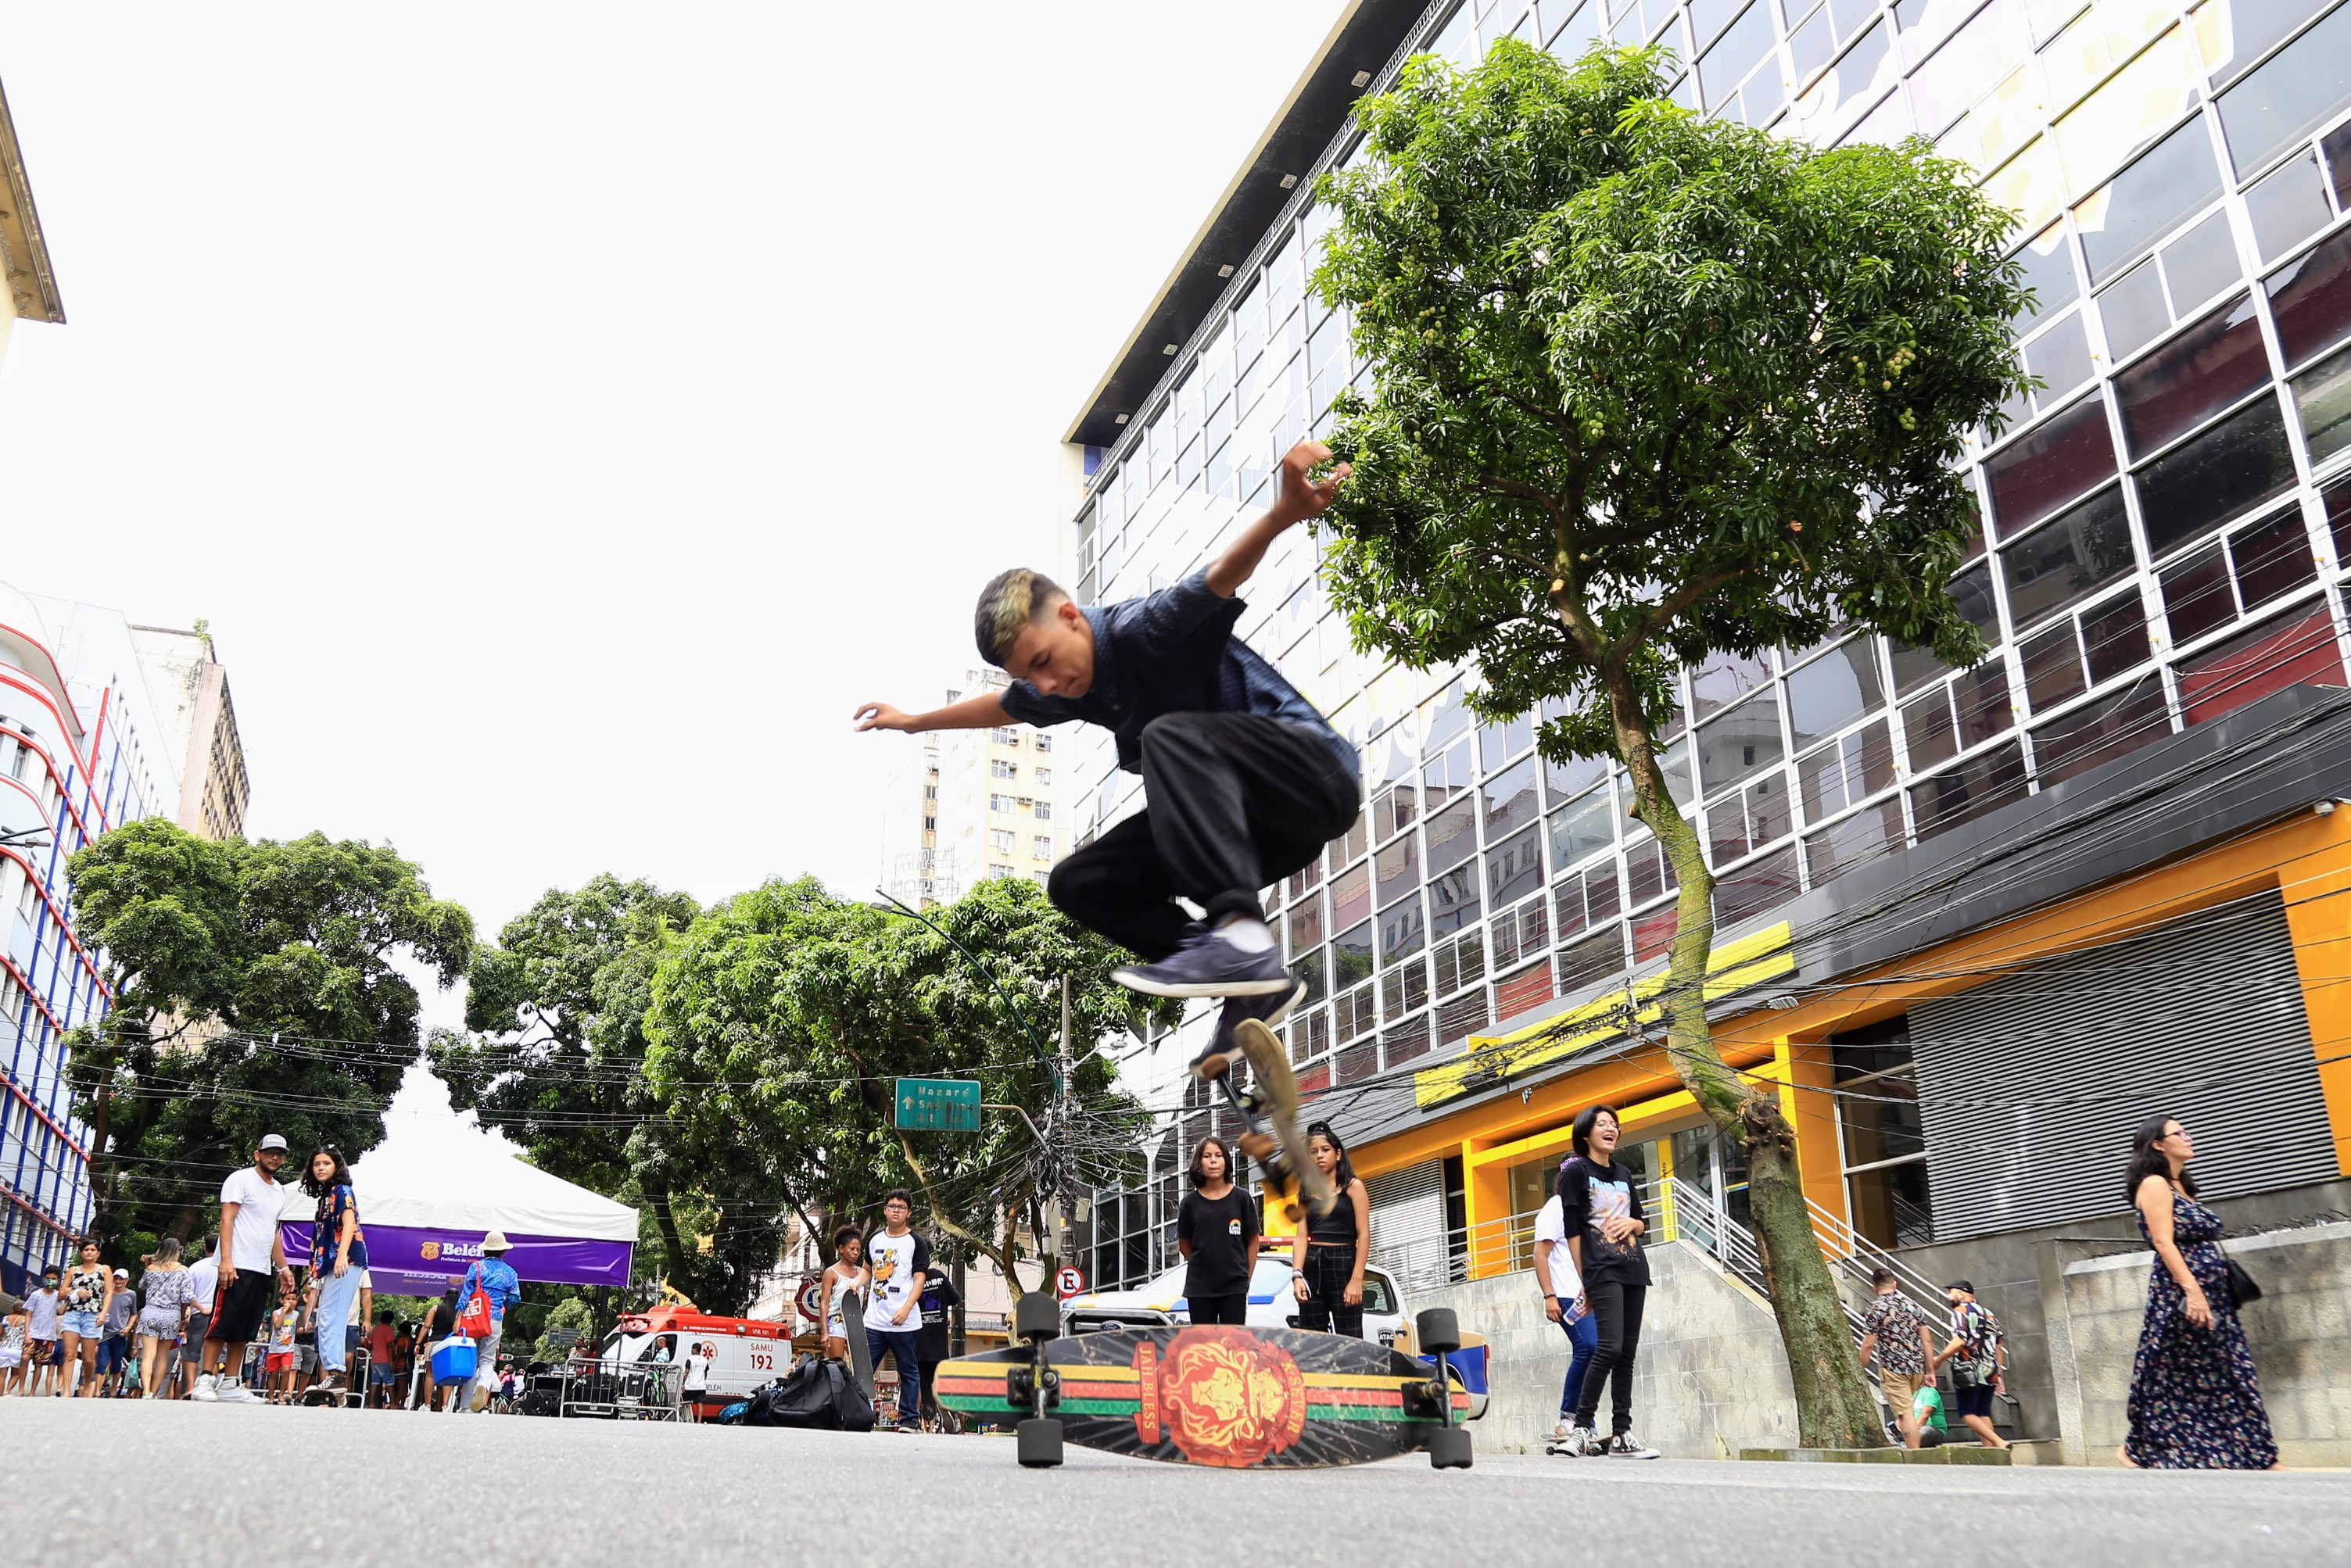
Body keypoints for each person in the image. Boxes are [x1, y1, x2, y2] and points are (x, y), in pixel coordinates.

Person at [855, 440, 1359, 1073]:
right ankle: (1248, 984)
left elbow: (1218, 577)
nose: (1046, 685)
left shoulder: (1141, 629)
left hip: (1310, 777)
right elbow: (1004, 706)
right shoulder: (1064, 684)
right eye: (1030, 676)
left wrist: (1282, 514)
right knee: (1079, 882)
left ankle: (1242, 940)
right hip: (1255, 833)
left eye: (1043, 662)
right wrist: (913, 723)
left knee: (1168, 737)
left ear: (1070, 616)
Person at [2120, 1115, 2279, 1470]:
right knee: (2200, 1372)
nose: (2188, 1136)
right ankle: (2140, 1448)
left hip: (2214, 1297)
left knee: (2220, 1372)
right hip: (2182, 1297)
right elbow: (2163, 1241)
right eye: (2178, 1133)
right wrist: (2193, 1292)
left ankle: (2254, 1455)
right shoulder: (2154, 1185)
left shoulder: (2182, 1186)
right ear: (2158, 1145)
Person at [1557, 1104, 1658, 1458]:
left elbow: (1641, 1222)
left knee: (1626, 1354)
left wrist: (1634, 1224)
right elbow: (1573, 1230)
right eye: (1602, 1124)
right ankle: (1581, 1428)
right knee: (1609, 1348)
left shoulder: (1624, 1173)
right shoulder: (1576, 1172)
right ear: (1586, 1133)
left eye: (1614, 1124)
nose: (1611, 1129)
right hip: (1601, 1269)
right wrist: (1583, 1276)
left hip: (1634, 1268)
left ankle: (1621, 1434)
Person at [195, 1133, 293, 1404]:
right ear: (257, 1154)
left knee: (245, 1328)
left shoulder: (278, 1190)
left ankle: (230, 1383)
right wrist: (226, 1259)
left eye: (280, 1154)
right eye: (270, 1152)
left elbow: (273, 1231)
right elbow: (226, 1219)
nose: (275, 1158)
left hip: (261, 1267)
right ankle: (205, 1379)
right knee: (222, 1323)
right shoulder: (241, 1179)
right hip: (236, 1264)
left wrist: (283, 1267)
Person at [1533, 1155, 1600, 1449]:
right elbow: (1540, 1254)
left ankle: (1586, 1423)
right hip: (1564, 1293)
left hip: (1589, 1293)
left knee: (1598, 1354)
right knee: (1588, 1347)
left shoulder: (1588, 1211)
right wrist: (1549, 1295)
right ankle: (1569, 1417)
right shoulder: (1555, 1207)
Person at [299, 1144, 371, 1406]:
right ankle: (336, 1382)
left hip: (346, 1260)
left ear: (337, 1167)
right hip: (332, 1263)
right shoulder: (326, 1195)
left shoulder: (342, 1191)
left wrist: (341, 1255)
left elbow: (349, 1223)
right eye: (317, 1164)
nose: (320, 1168)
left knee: (332, 1318)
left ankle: (337, 1374)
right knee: (327, 1318)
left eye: (326, 1163)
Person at [1288, 1122, 1369, 1337]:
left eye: (1325, 1150)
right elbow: (1301, 1237)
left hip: (1344, 1262)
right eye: (1313, 1152)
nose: (1319, 1156)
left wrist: (1356, 1280)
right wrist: (1297, 1276)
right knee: (1312, 1339)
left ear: (1338, 1154)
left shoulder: (1353, 1187)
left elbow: (1364, 1235)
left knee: (1349, 1339)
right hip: (1312, 1263)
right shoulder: (1305, 1192)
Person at [863, 1189, 930, 1433]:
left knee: (909, 1371)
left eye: (901, 1207)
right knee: (862, 1370)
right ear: (885, 1210)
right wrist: (856, 1283)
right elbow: (867, 1270)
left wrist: (906, 1308)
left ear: (908, 1213)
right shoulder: (874, 1239)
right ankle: (858, 1414)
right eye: (892, 1206)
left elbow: (920, 1280)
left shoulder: (916, 1242)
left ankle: (909, 1420)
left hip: (904, 1322)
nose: (896, 1211)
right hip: (874, 1321)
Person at [1177, 1137, 1259, 1326]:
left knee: (1233, 1340)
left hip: (1235, 1286)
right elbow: (1184, 1245)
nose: (1213, 1161)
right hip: (1199, 1287)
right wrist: (1205, 1264)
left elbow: (1254, 1242)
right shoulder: (1189, 1203)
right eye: (1207, 1156)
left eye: (1218, 1155)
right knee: (1204, 1341)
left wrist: (1245, 1278)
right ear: (1199, 1163)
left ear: (1226, 1160)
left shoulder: (1242, 1198)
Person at [1856, 1266, 1939, 1450]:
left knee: (1905, 1414)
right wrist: (1930, 1371)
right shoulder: (1913, 1306)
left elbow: (1869, 1344)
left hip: (1893, 1368)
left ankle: (1915, 1454)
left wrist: (1860, 1366)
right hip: (1916, 1367)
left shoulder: (1876, 1309)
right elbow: (1927, 1340)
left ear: (1875, 1288)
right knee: (1907, 1410)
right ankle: (1915, 1451)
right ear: (1895, 1284)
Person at [1932, 1280, 2011, 1450]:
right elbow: (1999, 1346)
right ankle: (1992, 1453)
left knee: (1967, 1413)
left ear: (1961, 1294)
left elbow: (1960, 1340)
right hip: (1991, 1369)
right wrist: (1999, 1373)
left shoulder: (1961, 1311)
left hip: (1969, 1368)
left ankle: (1999, 1442)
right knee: (1983, 1412)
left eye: (1951, 1292)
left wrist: (1939, 1359)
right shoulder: (1989, 1314)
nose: (1949, 1296)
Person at [453, 1231, 522, 1413]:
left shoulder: (476, 1268)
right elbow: (515, 1297)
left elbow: (466, 1295)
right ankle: (483, 1385)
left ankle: (465, 1405)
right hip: (495, 1319)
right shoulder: (510, 1273)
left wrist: (458, 1318)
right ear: (503, 1251)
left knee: (471, 1359)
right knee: (487, 1359)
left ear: (485, 1251)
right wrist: (503, 1306)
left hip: (474, 1318)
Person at [134, 1238, 197, 1403]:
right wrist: (183, 1316)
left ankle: (146, 1391)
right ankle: (154, 1392)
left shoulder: (151, 1268)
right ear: (178, 1251)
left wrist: (148, 1263)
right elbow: (187, 1297)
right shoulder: (183, 1270)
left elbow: (142, 1285)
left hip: (150, 1312)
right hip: (171, 1314)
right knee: (162, 1357)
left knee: (148, 1356)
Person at [58, 1237, 114, 1397]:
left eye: (92, 1250)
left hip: (93, 1315)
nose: (89, 1252)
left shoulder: (104, 1270)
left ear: (98, 1253)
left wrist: (103, 1314)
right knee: (69, 1355)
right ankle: (66, 1391)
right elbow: (61, 1293)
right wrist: (75, 1291)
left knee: (88, 1358)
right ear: (81, 1253)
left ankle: (88, 1382)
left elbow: (109, 1293)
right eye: (86, 1250)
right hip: (73, 1314)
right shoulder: (73, 1270)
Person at [914, 1255, 961, 1430]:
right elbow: (955, 1299)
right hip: (939, 1343)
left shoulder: (912, 1278)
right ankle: (943, 1408)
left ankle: (917, 1416)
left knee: (919, 1384)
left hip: (918, 1341)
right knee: (939, 1382)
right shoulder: (938, 1276)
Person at [820, 1224, 869, 1363]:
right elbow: (824, 1303)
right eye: (852, 1249)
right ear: (841, 1248)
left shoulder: (862, 1273)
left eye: (858, 1249)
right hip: (837, 1323)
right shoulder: (831, 1273)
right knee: (837, 1365)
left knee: (858, 1366)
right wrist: (824, 1332)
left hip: (857, 1323)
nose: (856, 1253)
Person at [178, 1236, 219, 1400]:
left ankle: (190, 1388)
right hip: (219, 1313)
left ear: (204, 1247)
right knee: (216, 1350)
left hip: (198, 1313)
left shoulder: (195, 1267)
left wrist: (184, 1316)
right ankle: (210, 1387)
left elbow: (186, 1295)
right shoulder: (226, 1267)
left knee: (192, 1351)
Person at [21, 1266, 60, 1398]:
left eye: (53, 1279)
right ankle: (21, 1388)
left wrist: (68, 1298)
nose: (50, 1281)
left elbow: (61, 1311)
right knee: (25, 1358)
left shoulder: (58, 1296)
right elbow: (28, 1314)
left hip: (48, 1335)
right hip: (33, 1333)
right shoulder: (36, 1295)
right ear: (43, 1278)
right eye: (48, 1278)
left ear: (58, 1280)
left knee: (39, 1364)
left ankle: (32, 1391)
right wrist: (27, 1333)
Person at [99, 1267, 137, 1394]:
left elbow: (134, 1313)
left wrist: (128, 1327)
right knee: (102, 1363)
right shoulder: (107, 1293)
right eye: (116, 1278)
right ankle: (97, 1390)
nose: (118, 1281)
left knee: (116, 1363)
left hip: (120, 1334)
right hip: (104, 1334)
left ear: (127, 1280)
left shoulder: (131, 1295)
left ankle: (114, 1390)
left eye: (121, 1279)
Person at [366, 1309, 399, 1409]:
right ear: (391, 1320)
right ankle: (393, 1403)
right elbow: (389, 1346)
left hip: (375, 1359)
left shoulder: (376, 1329)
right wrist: (392, 1362)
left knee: (374, 1382)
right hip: (385, 1360)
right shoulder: (390, 1330)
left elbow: (371, 1344)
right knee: (390, 1382)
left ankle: (371, 1403)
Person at [683, 1339, 710, 1423]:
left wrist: (683, 1383)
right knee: (700, 1403)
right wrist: (703, 1380)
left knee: (686, 1403)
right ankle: (699, 1420)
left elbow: (687, 1372)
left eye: (692, 1349)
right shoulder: (705, 1360)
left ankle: (686, 1419)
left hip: (690, 1385)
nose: (691, 1350)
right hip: (701, 1386)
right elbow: (705, 1373)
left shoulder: (690, 1359)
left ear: (695, 1349)